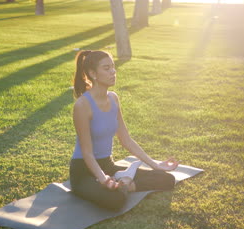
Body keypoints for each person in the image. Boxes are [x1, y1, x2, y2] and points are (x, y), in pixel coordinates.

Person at [70, 50, 179, 211]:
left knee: (166, 178)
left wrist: (155, 164)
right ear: (93, 73)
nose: (113, 71)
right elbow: (87, 153)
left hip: (108, 165)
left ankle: (125, 183)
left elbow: (126, 139)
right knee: (115, 200)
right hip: (84, 172)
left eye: (113, 67)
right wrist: (103, 179)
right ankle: (123, 183)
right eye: (106, 68)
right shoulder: (82, 105)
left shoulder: (113, 98)